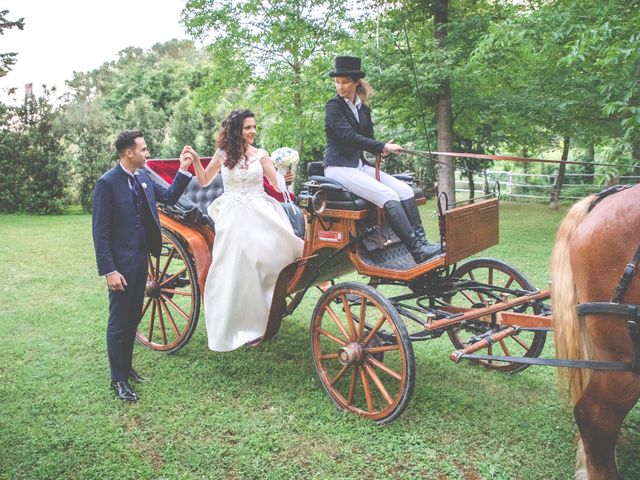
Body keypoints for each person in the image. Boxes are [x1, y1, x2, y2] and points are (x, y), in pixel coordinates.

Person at [183, 109, 304, 351]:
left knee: (270, 255)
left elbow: (276, 184)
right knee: (238, 265)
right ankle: (240, 321)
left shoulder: (261, 155)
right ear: (236, 129)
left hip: (260, 210)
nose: (252, 131)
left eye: (254, 127)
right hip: (233, 214)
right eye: (248, 127)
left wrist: (286, 175)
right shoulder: (222, 154)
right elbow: (205, 180)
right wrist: (196, 161)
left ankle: (268, 309)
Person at [92, 130, 193, 402]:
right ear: (129, 153)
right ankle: (118, 380)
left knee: (134, 316)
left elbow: (170, 197)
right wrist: (109, 271)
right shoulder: (107, 184)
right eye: (144, 149)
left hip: (142, 260)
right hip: (120, 266)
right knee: (119, 322)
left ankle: (127, 368)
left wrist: (183, 170)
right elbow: (99, 233)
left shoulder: (144, 178)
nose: (147, 154)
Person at [323, 55, 440, 263]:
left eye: (345, 82)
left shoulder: (363, 109)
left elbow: (367, 140)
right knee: (387, 194)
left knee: (404, 190)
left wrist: (382, 150)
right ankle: (417, 251)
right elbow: (348, 137)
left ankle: (423, 243)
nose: (340, 86)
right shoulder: (333, 106)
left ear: (356, 81)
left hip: (358, 165)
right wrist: (381, 146)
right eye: (337, 81)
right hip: (338, 168)